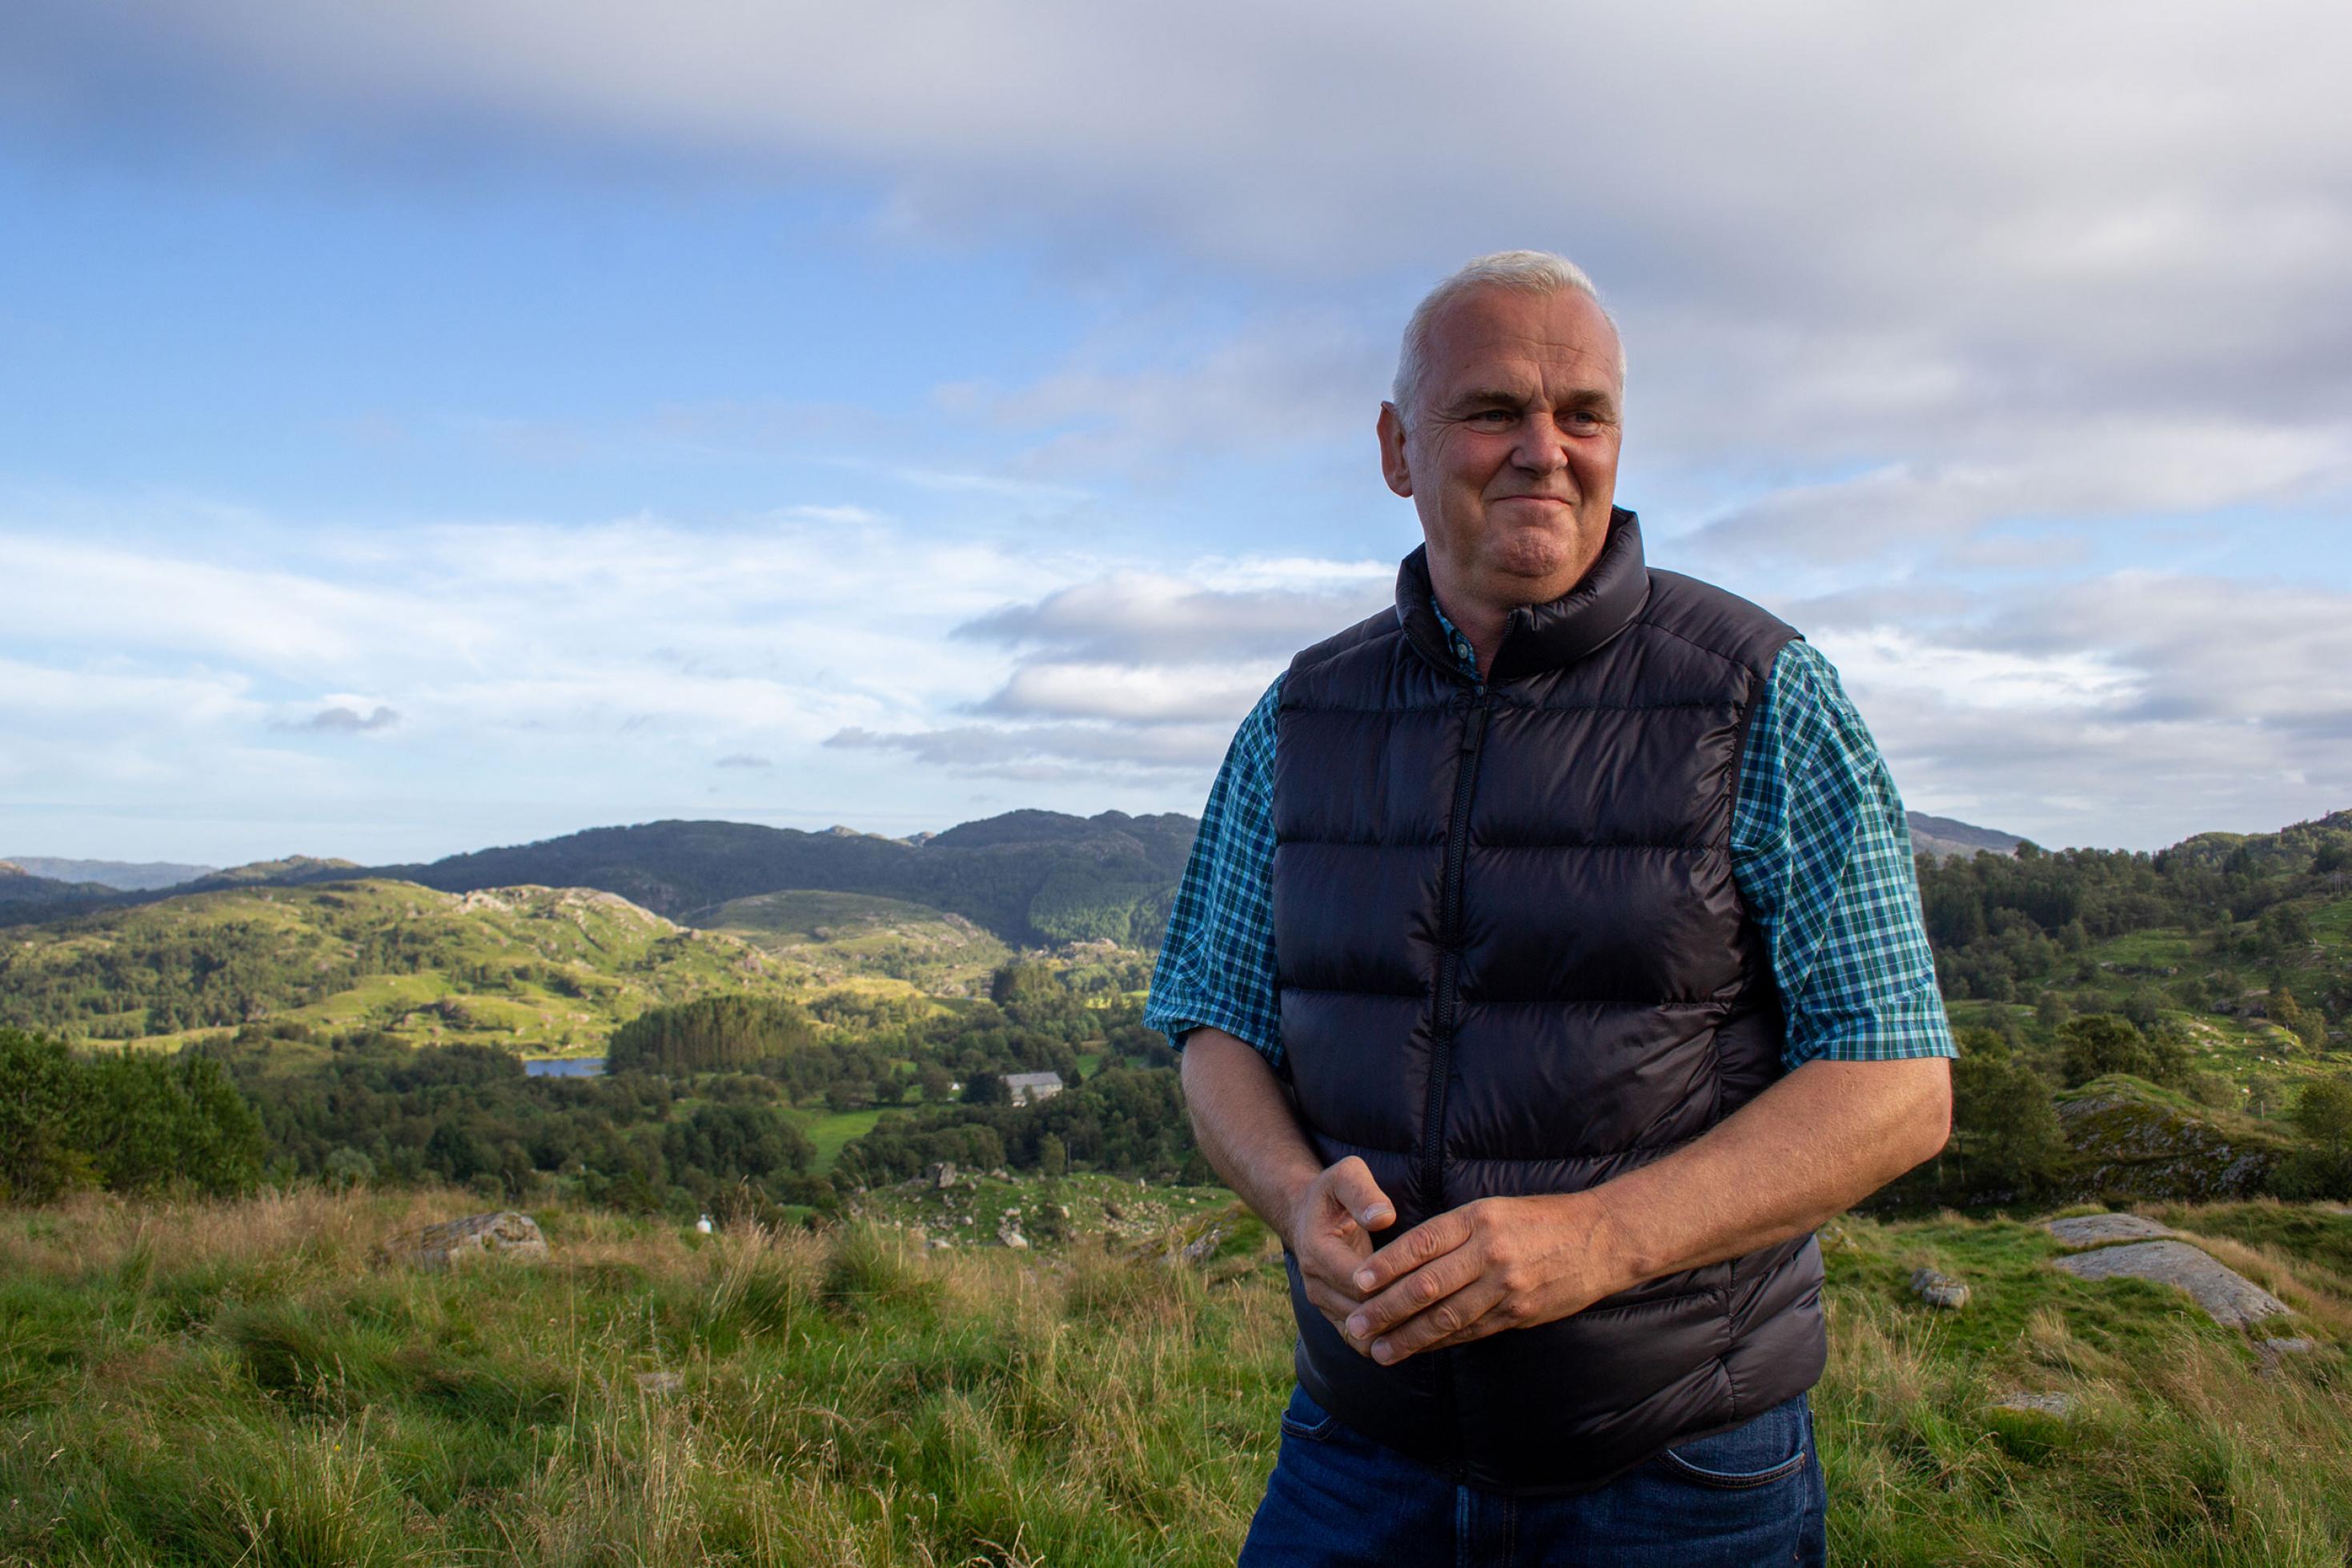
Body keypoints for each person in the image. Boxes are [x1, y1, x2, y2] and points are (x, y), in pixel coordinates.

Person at [1144, 251, 1955, 1566]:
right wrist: (1296, 1203)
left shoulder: (1761, 696)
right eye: (1490, 412)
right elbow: (1210, 1021)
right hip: (1361, 1454)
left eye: (1583, 414)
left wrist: (1600, 1240)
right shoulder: (1299, 716)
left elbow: (1896, 1082)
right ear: (1398, 448)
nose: (1544, 450)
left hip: (1676, 1469)